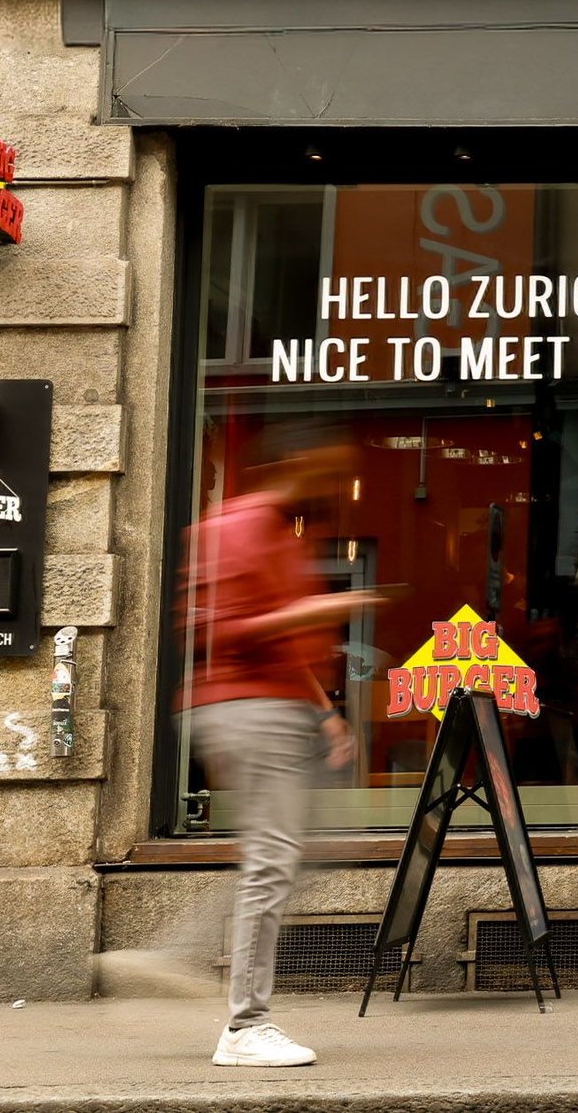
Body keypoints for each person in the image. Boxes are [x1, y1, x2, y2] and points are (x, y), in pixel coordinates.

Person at [177, 422, 378, 1067]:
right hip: (246, 708)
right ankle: (244, 1027)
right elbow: (219, 632)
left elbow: (285, 647)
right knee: (274, 858)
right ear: (299, 462)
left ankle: (176, 953)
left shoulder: (287, 531)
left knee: (296, 854)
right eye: (331, 469)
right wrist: (313, 614)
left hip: (282, 707)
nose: (339, 486)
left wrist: (325, 712)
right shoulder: (236, 526)